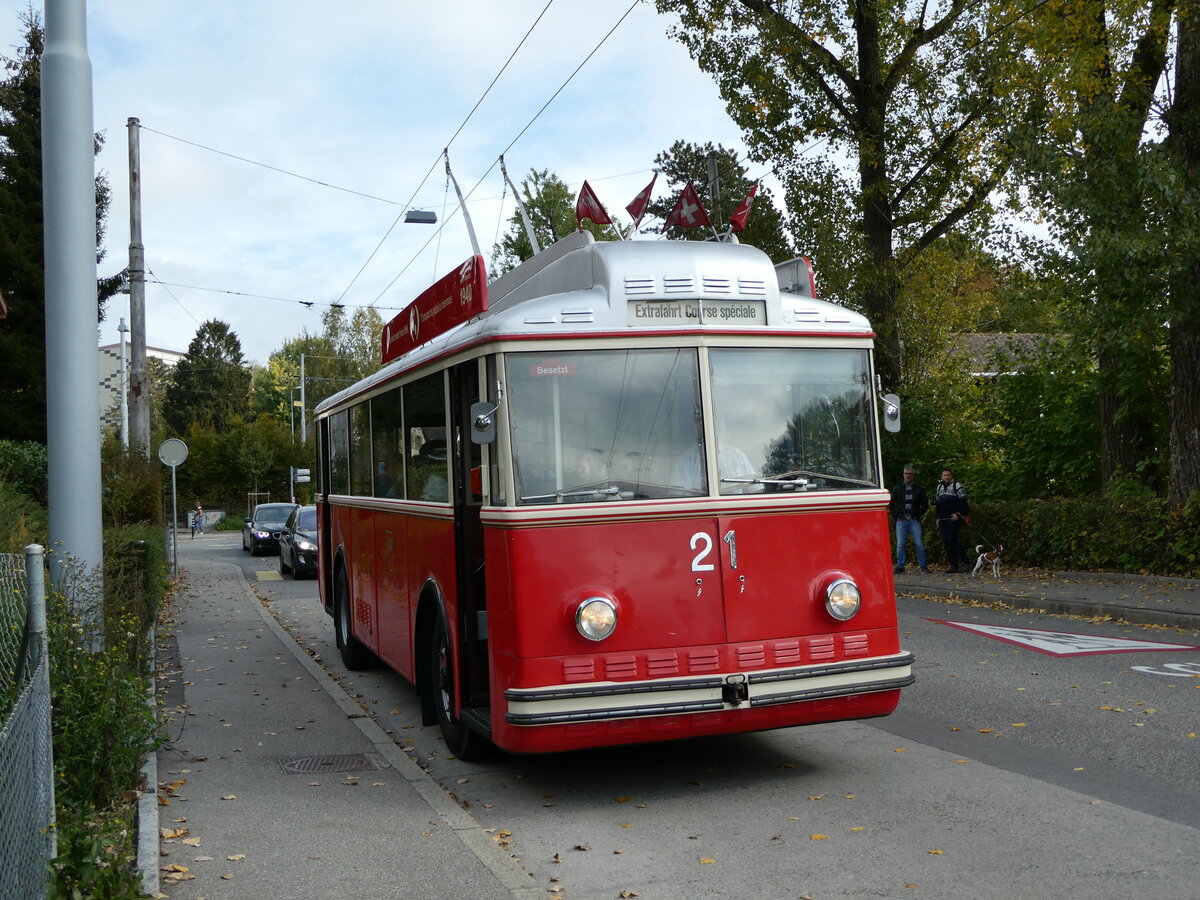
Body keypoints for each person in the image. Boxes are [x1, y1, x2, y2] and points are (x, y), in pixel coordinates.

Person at [889, 465, 929, 574]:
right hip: (901, 520)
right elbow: (891, 504)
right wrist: (896, 516)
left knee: (919, 543)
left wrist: (919, 514)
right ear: (903, 475)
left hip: (913, 519)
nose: (908, 476)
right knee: (900, 544)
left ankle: (923, 565)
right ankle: (900, 566)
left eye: (910, 474)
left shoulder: (919, 489)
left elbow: (925, 504)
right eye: (906, 474)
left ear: (913, 475)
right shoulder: (898, 488)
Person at [935, 469, 970, 572]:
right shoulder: (939, 487)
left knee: (952, 540)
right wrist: (937, 517)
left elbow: (963, 502)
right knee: (947, 542)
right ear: (941, 477)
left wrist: (958, 514)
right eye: (945, 475)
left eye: (948, 475)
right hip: (942, 519)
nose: (947, 477)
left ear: (951, 476)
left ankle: (966, 562)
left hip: (953, 518)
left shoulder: (957, 486)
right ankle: (954, 565)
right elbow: (938, 504)